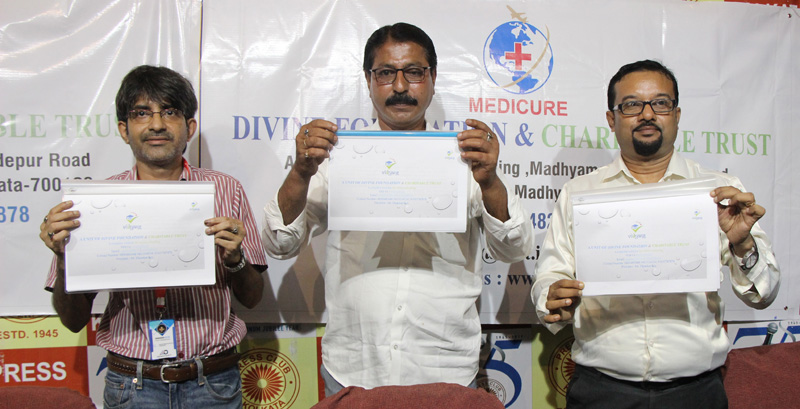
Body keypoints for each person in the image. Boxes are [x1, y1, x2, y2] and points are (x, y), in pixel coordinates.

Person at [262, 22, 533, 396]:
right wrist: (300, 172)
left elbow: (513, 248)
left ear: (432, 78)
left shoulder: (465, 159)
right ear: (368, 80)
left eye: (414, 72)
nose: (401, 86)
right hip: (354, 369)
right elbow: (280, 243)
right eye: (386, 73)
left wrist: (489, 183)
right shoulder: (337, 157)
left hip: (445, 369)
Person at [532, 60, 780, 408]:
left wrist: (742, 243)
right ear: (612, 119)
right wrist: (553, 296)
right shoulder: (580, 192)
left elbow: (763, 295)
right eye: (632, 105)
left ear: (676, 115)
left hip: (696, 393)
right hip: (601, 391)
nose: (647, 114)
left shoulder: (719, 192)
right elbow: (550, 277)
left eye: (660, 103)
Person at [40, 65, 268, 408]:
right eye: (142, 113)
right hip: (133, 386)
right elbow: (73, 321)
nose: (157, 124)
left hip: (212, 383)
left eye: (170, 112)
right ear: (124, 129)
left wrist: (235, 260)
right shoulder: (94, 204)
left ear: (189, 127)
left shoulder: (225, 190)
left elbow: (252, 298)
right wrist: (63, 259)